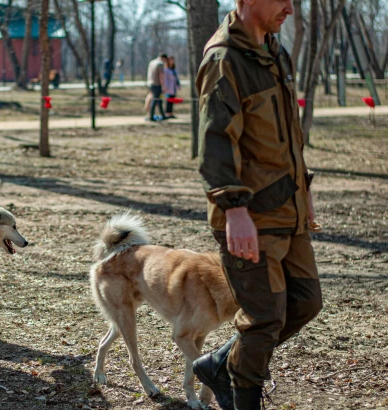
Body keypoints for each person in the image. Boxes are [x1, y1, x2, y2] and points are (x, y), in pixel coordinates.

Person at [192, 1, 323, 409]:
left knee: (304, 302)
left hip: (289, 207)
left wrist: (306, 192)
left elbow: (288, 136)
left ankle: (221, 363)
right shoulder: (224, 59)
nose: (289, 7)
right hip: (250, 217)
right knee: (265, 318)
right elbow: (215, 145)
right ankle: (242, 393)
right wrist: (234, 210)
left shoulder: (274, 50)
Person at [146, 53, 168, 121]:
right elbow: (161, 76)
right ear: (163, 58)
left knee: (158, 100)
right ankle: (151, 116)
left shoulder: (152, 62)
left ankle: (163, 115)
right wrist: (163, 86)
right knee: (155, 100)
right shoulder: (160, 64)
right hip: (157, 84)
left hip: (150, 83)